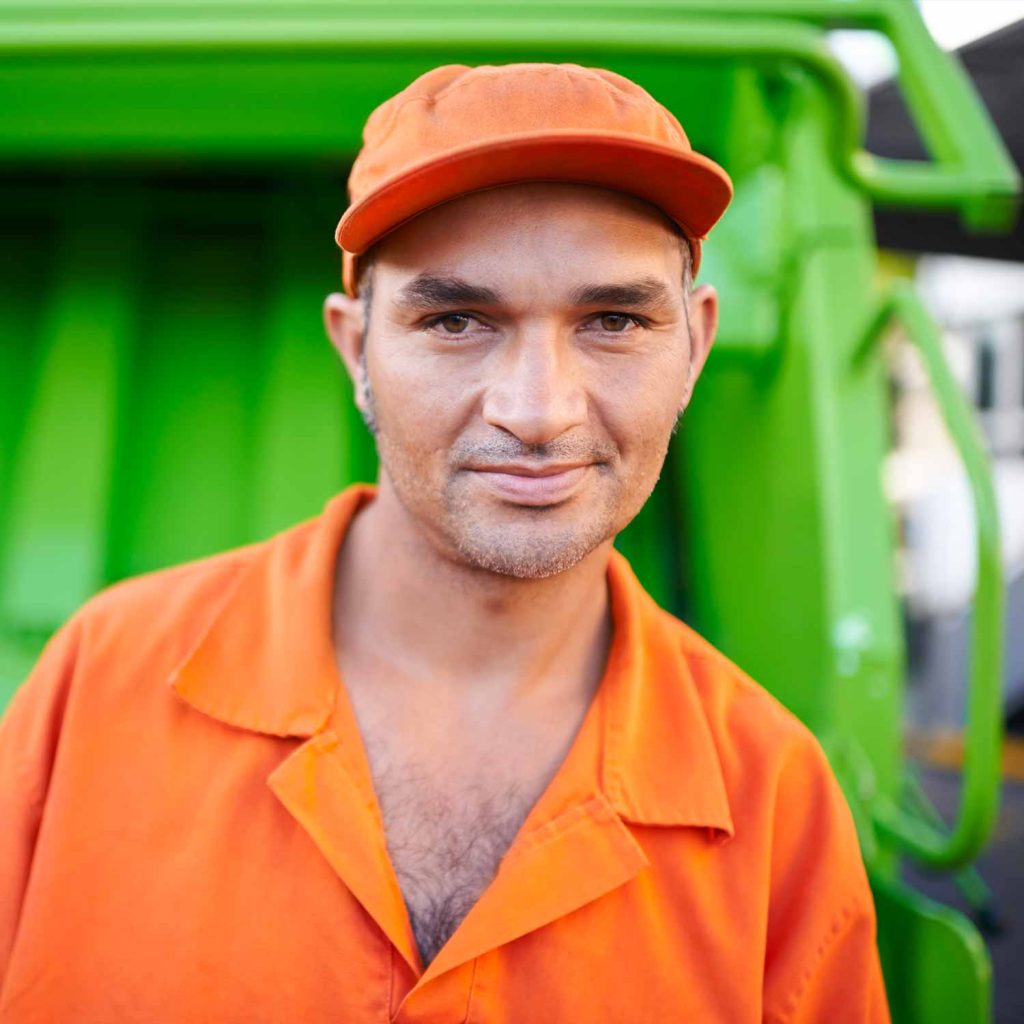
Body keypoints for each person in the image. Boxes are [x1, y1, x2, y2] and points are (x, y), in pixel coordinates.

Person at [0, 62, 890, 1022]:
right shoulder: (106, 677)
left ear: (695, 349)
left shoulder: (770, 792)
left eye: (615, 320)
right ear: (356, 349)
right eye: (456, 319)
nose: (538, 411)